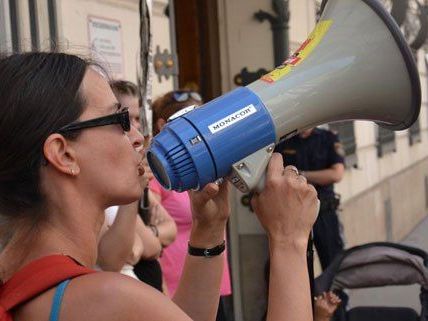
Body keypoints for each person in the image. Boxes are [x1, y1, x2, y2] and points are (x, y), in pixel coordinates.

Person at [0, 52, 318, 321]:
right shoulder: (109, 298)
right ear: (63, 153)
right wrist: (289, 239)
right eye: (121, 121)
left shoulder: (23, 274)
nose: (138, 137)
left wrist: (208, 230)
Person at [150, 90, 235, 320]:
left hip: (214, 277)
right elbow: (149, 226)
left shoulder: (206, 162)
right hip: (179, 284)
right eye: (190, 120)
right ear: (162, 124)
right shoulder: (159, 174)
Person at [96, 80, 176, 290]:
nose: (137, 128)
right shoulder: (104, 186)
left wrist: (145, 236)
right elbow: (114, 258)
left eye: (138, 118)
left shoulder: (131, 179)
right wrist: (144, 237)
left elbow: (159, 240)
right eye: (126, 118)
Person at [275, 127, 345, 270]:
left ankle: (334, 293)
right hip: (294, 215)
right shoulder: (284, 140)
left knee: (333, 266)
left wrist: (301, 175)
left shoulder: (328, 137)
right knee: (297, 267)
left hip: (324, 213)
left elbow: (336, 174)